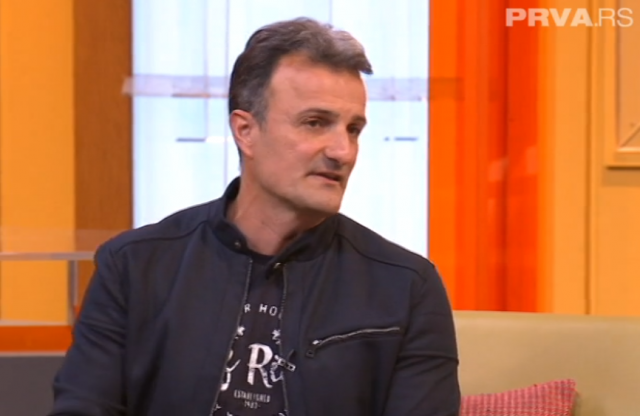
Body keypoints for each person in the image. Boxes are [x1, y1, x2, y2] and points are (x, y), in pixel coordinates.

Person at [49, 17, 460, 416]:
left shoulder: (407, 287)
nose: (343, 151)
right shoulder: (134, 266)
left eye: (353, 129)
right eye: (315, 123)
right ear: (245, 131)